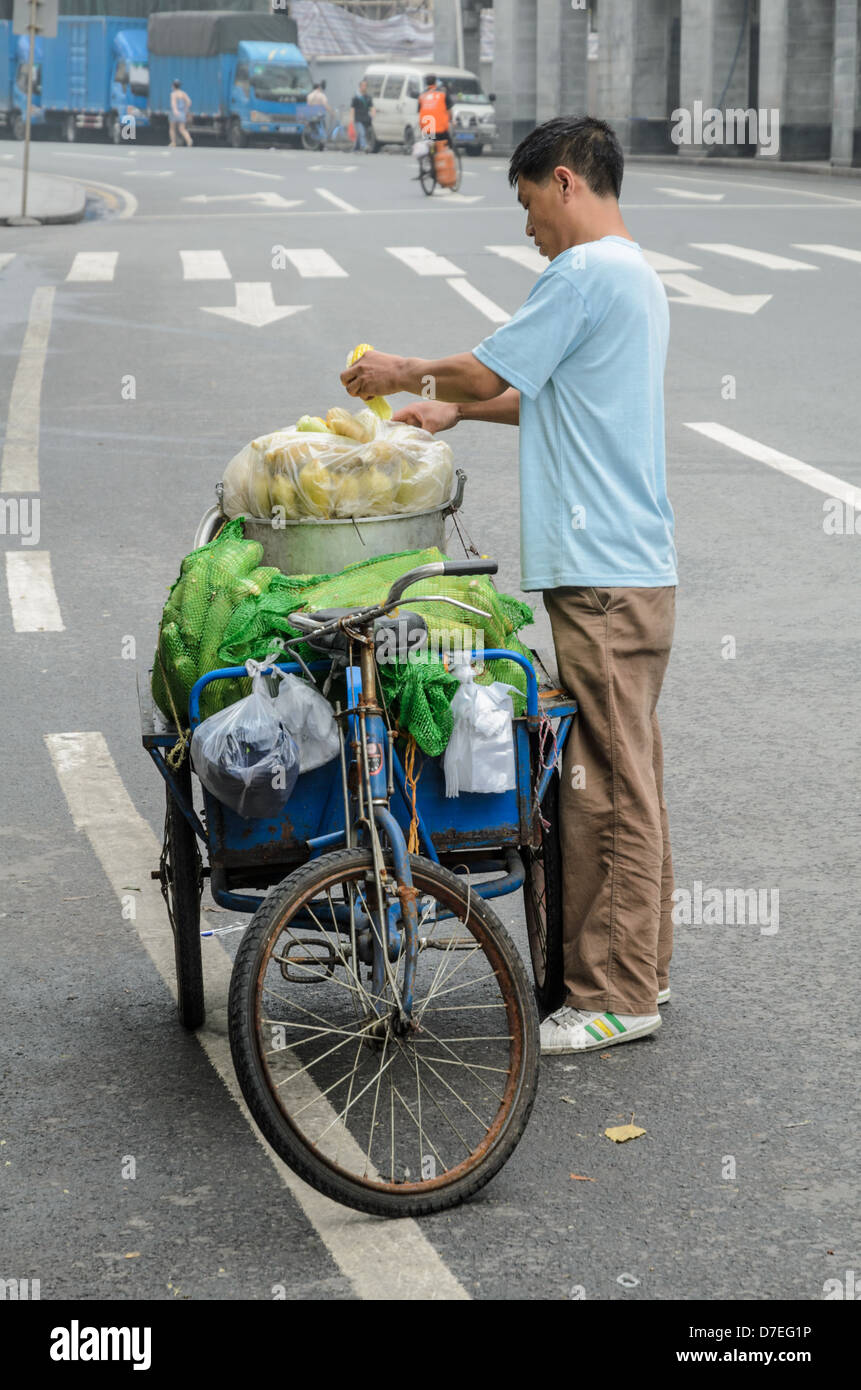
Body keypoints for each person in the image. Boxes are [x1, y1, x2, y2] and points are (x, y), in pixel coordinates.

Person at [341, 116, 677, 1056]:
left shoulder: (583, 273)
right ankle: (641, 967)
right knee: (629, 766)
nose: (529, 227)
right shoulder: (633, 276)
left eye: (529, 205)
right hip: (631, 567)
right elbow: (535, 393)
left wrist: (401, 368)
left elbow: (494, 360)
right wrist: (453, 408)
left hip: (602, 572)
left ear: (564, 181)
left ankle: (613, 995)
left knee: (603, 782)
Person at [418, 73, 453, 148]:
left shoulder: (422, 96)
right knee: (447, 146)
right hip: (441, 128)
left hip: (427, 128)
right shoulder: (443, 93)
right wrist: (451, 120)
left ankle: (430, 157)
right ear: (436, 82)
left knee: (429, 148)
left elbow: (420, 112)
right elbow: (449, 110)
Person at [350, 78, 375, 153]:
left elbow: (372, 107)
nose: (364, 87)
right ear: (360, 87)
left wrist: (373, 114)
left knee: (361, 133)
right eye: (362, 86)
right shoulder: (356, 97)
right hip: (358, 118)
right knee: (362, 132)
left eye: (365, 86)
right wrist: (351, 118)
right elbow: (352, 108)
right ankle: (364, 146)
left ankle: (356, 147)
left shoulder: (368, 97)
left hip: (366, 118)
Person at [169, 78, 192, 148]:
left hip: (175, 113)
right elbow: (189, 102)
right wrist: (185, 109)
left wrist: (175, 110)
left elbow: (173, 103)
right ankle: (189, 140)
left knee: (172, 128)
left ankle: (173, 142)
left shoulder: (173, 94)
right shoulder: (183, 93)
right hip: (182, 113)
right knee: (182, 129)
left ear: (173, 86)